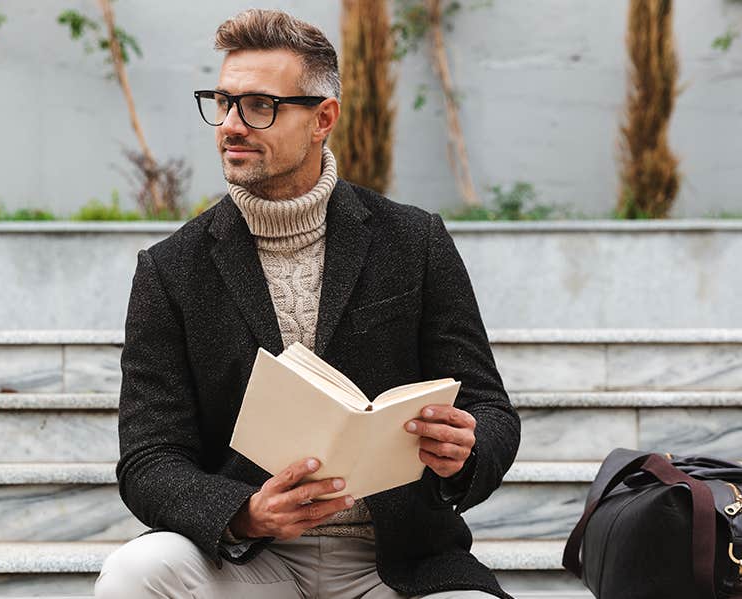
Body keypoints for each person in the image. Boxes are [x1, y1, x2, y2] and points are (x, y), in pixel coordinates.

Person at [94, 8, 520, 599]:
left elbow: (491, 410)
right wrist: (245, 512)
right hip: (248, 562)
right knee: (134, 575)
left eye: (259, 106)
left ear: (324, 118)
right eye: (223, 102)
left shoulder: (413, 240)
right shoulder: (171, 269)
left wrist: (465, 450)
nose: (231, 125)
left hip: (395, 562)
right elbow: (148, 459)